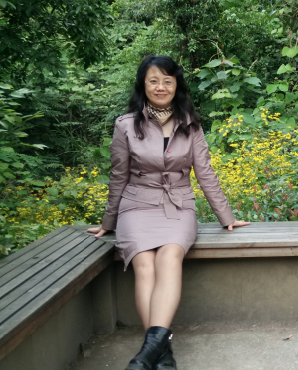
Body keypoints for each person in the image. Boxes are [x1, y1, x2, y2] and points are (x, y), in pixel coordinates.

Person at [87, 56, 249, 370]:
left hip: (178, 205)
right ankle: (161, 354)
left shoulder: (190, 124)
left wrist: (226, 217)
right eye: (153, 81)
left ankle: (147, 354)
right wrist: (109, 222)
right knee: (144, 264)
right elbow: (118, 176)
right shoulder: (125, 124)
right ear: (143, 85)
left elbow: (205, 173)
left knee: (170, 255)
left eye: (167, 81)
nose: (160, 87)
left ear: (176, 85)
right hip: (136, 205)